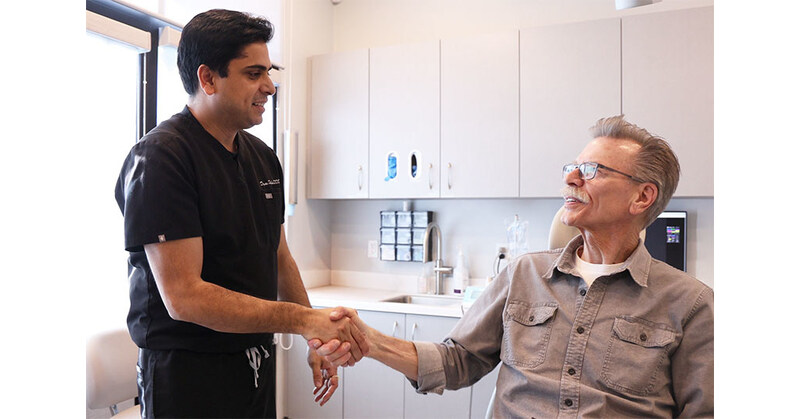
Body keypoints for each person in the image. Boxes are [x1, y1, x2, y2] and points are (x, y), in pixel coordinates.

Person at [312, 115, 714, 418]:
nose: (572, 178)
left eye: (592, 171)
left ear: (642, 197)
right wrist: (369, 340)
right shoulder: (524, 274)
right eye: (572, 168)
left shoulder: (690, 304)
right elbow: (458, 361)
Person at [115, 9, 367, 418]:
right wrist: (304, 321)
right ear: (208, 79)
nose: (269, 87)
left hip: (254, 364)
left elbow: (279, 256)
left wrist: (316, 338)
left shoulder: (262, 157)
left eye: (268, 72)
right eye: (253, 74)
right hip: (188, 375)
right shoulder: (163, 159)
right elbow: (184, 297)